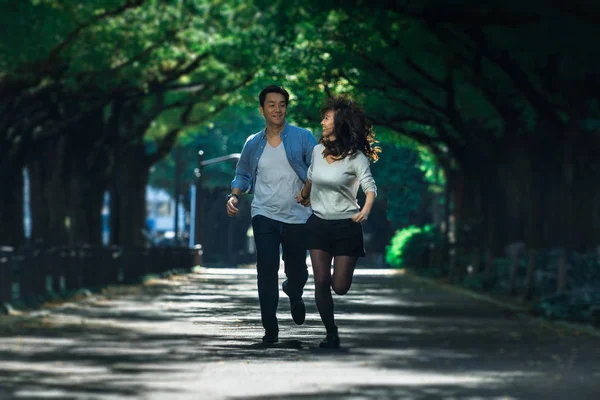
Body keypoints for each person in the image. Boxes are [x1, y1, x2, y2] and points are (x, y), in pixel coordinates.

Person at [226, 85, 317, 344]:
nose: (277, 109)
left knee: (297, 270)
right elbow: (242, 174)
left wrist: (311, 192)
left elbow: (317, 168)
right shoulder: (253, 143)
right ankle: (270, 329)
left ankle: (294, 291)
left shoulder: (302, 137)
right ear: (262, 109)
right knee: (266, 268)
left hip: (298, 214)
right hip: (263, 212)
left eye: (282, 104)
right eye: (271, 105)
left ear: (286, 108)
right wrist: (234, 195)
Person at [296, 96, 380, 349]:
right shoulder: (317, 152)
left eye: (326, 118)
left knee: (340, 286)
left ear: (340, 123)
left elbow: (370, 188)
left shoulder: (356, 158)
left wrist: (365, 210)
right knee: (320, 279)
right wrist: (304, 194)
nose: (322, 122)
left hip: (347, 226)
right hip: (319, 224)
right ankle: (331, 332)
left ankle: (333, 316)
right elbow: (311, 177)